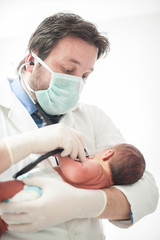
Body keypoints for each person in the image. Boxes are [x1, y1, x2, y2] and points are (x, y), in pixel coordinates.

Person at [0, 12, 158, 240]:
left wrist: (82, 204)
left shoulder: (93, 117)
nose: (76, 83)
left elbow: (147, 191)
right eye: (68, 70)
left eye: (85, 75)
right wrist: (29, 143)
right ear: (32, 62)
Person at [0, 141, 145, 237]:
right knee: (6, 221)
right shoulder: (104, 184)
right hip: (41, 200)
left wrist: (62, 152)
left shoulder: (96, 167)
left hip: (36, 189)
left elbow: (75, 173)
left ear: (108, 154)